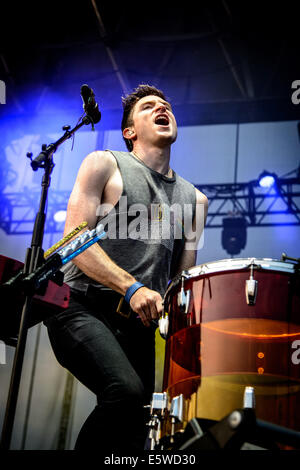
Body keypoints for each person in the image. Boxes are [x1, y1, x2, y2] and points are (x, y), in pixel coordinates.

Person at [44, 84, 208, 452]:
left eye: (166, 105)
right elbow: (74, 242)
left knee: (136, 427)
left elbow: (179, 282)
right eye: (149, 107)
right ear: (129, 131)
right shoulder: (104, 163)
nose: (161, 108)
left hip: (138, 326)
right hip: (80, 306)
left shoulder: (196, 201)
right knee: (126, 392)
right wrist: (132, 288)